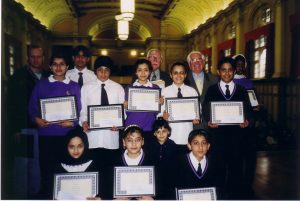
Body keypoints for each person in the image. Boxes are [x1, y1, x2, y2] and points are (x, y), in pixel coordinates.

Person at [28, 53, 81, 197]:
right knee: (47, 170)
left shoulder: (74, 86)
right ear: (50, 67)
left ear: (67, 67)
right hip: (46, 135)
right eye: (55, 64)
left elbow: (80, 109)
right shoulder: (42, 84)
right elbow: (32, 107)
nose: (58, 67)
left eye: (62, 64)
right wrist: (36, 119)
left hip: (67, 136)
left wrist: (73, 122)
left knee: (65, 170)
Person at [203, 57, 252, 199]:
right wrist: (209, 120)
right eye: (223, 70)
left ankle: (234, 195)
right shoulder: (212, 90)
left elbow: (247, 111)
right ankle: (219, 196)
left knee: (236, 168)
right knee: (218, 168)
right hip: (218, 137)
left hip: (237, 137)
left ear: (234, 71)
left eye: (230, 70)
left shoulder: (242, 90)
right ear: (218, 72)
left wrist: (247, 121)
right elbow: (206, 109)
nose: (227, 73)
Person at [6, 45, 49, 198]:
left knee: (38, 166)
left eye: (39, 56)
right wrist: (15, 129)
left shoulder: (48, 76)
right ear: (27, 58)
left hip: (44, 129)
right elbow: (10, 105)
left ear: (43, 58)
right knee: (22, 168)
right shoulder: (17, 77)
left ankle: (35, 195)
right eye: (33, 56)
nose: (36, 59)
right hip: (24, 127)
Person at [80, 56, 125, 161]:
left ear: (110, 72)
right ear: (95, 71)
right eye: (100, 70)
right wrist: (84, 122)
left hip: (111, 137)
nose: (103, 73)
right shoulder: (86, 87)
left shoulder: (118, 88)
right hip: (92, 138)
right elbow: (82, 110)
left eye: (107, 70)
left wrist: (119, 124)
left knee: (109, 170)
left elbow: (123, 111)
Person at [49, 127, 104, 200]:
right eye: (71, 147)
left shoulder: (95, 165)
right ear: (66, 146)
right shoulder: (57, 167)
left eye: (80, 146)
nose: (76, 151)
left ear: (85, 145)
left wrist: (99, 198)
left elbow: (102, 192)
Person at [233, 54, 258, 198]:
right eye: (237, 64)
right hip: (234, 127)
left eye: (242, 64)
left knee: (249, 158)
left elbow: (253, 101)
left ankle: (248, 186)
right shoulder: (228, 82)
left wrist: (256, 107)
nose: (240, 67)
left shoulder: (249, 82)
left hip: (249, 125)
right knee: (236, 157)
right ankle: (236, 185)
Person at [108, 125, 155, 200]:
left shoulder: (153, 161)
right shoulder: (114, 162)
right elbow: (108, 188)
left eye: (137, 140)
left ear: (142, 141)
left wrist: (153, 199)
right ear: (124, 142)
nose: (134, 144)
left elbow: (161, 188)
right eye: (130, 140)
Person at [161, 62, 200, 152]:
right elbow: (159, 113)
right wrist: (163, 116)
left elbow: (198, 111)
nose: (179, 75)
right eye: (175, 73)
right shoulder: (164, 92)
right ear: (171, 75)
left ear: (185, 75)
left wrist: (196, 118)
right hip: (170, 135)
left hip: (187, 134)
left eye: (181, 73)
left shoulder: (192, 91)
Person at [174, 129, 220, 199]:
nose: (200, 147)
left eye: (204, 143)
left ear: (208, 146)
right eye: (196, 143)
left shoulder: (215, 164)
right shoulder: (178, 163)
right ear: (189, 146)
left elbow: (218, 190)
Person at [124, 59, 163, 142]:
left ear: (150, 72)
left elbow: (157, 112)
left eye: (146, 70)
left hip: (149, 127)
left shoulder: (155, 88)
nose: (143, 73)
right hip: (132, 126)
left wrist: (160, 103)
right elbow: (125, 112)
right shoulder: (129, 88)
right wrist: (124, 106)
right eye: (140, 70)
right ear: (136, 72)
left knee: (148, 153)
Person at [145, 117, 178, 200]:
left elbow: (176, 164)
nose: (161, 134)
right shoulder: (150, 146)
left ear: (168, 132)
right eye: (158, 132)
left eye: (164, 131)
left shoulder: (172, 145)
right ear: (154, 133)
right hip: (155, 179)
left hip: (169, 178)